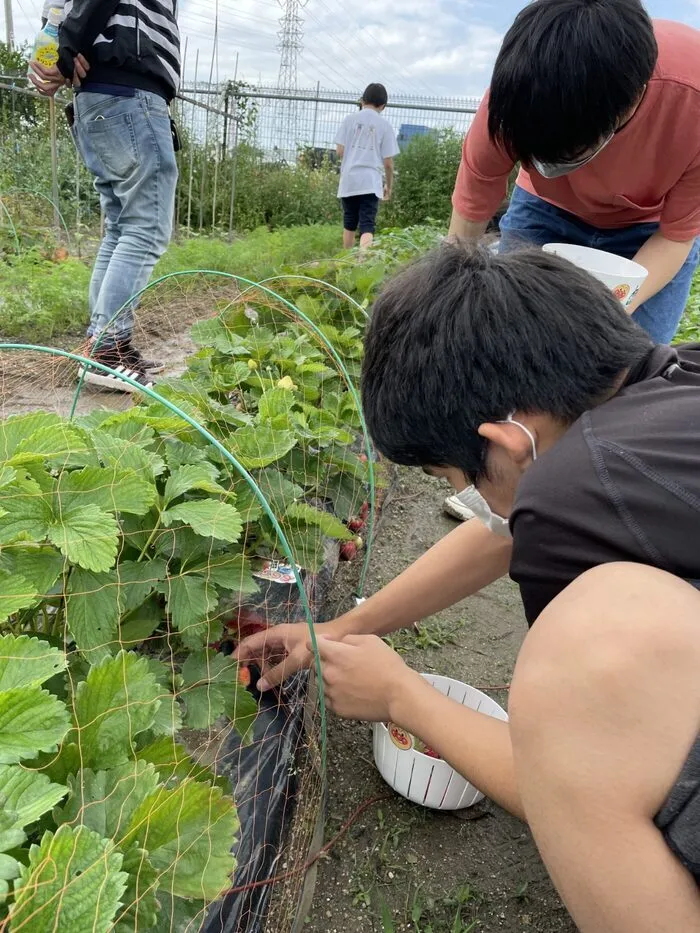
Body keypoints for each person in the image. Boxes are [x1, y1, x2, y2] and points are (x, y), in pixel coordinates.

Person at [238, 244, 700, 933]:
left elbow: (561, 773)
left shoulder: (571, 492)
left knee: (582, 651)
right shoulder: (670, 380)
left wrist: (402, 696)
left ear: (509, 438)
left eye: (453, 477)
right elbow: (501, 531)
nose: (466, 497)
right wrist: (333, 631)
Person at [450, 0, 700, 350]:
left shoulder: (692, 101)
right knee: (509, 335)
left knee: (632, 355)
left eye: (563, 157)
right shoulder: (516, 98)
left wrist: (605, 309)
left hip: (650, 230)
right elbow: (473, 204)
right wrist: (452, 285)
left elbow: (675, 238)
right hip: (543, 209)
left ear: (632, 101)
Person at [30, 0, 181, 392]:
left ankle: (100, 342)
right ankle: (108, 350)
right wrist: (65, 50)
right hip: (129, 91)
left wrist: (63, 42)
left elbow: (58, 10)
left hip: (100, 94)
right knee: (144, 230)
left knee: (120, 228)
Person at [335, 83, 400, 250]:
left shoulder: (349, 120)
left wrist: (354, 153)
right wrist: (389, 186)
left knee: (349, 222)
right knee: (367, 224)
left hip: (349, 178)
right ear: (383, 106)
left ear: (363, 100)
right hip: (370, 181)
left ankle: (345, 262)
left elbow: (340, 151)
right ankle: (363, 263)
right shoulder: (384, 126)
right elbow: (388, 163)